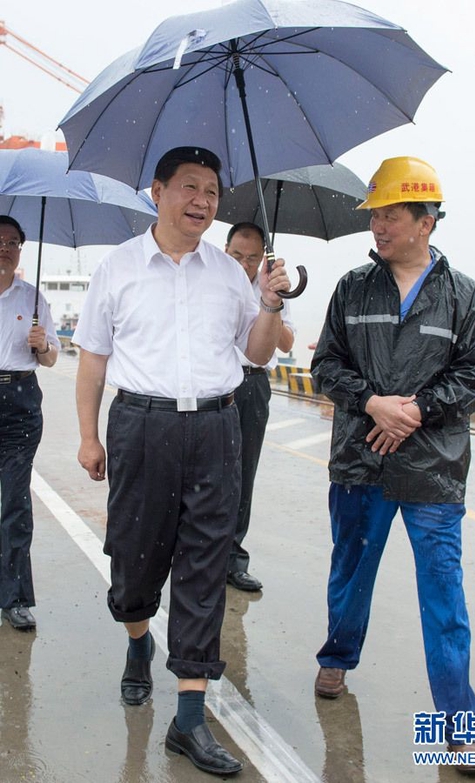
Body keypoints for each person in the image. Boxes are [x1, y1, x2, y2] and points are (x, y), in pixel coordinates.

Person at [73, 147, 290, 777]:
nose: (203, 201)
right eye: (190, 188)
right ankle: (138, 646)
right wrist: (89, 437)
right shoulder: (117, 269)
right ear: (157, 190)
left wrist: (269, 303)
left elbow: (255, 355)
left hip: (217, 425)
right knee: (135, 561)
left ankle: (189, 719)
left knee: (205, 564)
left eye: (213, 192)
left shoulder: (229, 272)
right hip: (141, 425)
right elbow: (91, 359)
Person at [311, 157, 475, 775]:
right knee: (350, 576)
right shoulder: (351, 289)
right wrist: (370, 403)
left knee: (445, 598)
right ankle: (337, 656)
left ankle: (460, 724)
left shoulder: (463, 294)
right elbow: (327, 366)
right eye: (376, 216)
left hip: (432, 472)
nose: (379, 226)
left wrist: (414, 410)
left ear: (427, 221)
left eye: (391, 215)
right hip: (359, 465)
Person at [224, 222, 296, 591]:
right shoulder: (212, 279)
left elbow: (286, 343)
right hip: (215, 384)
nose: (244, 264)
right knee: (205, 473)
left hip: (252, 384)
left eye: (252, 257)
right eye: (237, 255)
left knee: (243, 472)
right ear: (225, 250)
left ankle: (233, 559)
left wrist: (270, 301)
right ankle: (196, 553)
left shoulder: (272, 285)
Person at [0, 215, 60, 631]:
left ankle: (16, 597)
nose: (5, 247)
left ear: (21, 249)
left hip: (20, 402)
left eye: (13, 241)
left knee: (15, 504)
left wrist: (42, 347)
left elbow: (53, 357)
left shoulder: (33, 300)